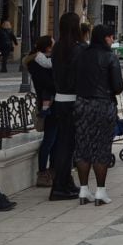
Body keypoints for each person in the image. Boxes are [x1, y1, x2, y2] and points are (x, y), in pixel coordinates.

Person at [73, 24, 123, 206]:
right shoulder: (110, 57)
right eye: (111, 37)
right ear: (105, 38)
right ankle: (100, 191)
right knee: (102, 147)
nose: (112, 40)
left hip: (81, 104)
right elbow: (118, 86)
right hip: (103, 105)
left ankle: (83, 189)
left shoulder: (81, 55)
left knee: (82, 147)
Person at [49, 13, 84, 201]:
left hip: (60, 99)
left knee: (64, 143)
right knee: (68, 146)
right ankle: (61, 185)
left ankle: (64, 182)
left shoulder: (58, 48)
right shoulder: (76, 49)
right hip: (73, 100)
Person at [26, 35, 57, 187]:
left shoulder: (42, 61)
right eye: (53, 43)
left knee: (54, 139)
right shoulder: (39, 64)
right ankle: (43, 172)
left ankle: (52, 169)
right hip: (49, 105)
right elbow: (48, 84)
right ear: (47, 47)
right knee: (49, 140)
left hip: (50, 103)